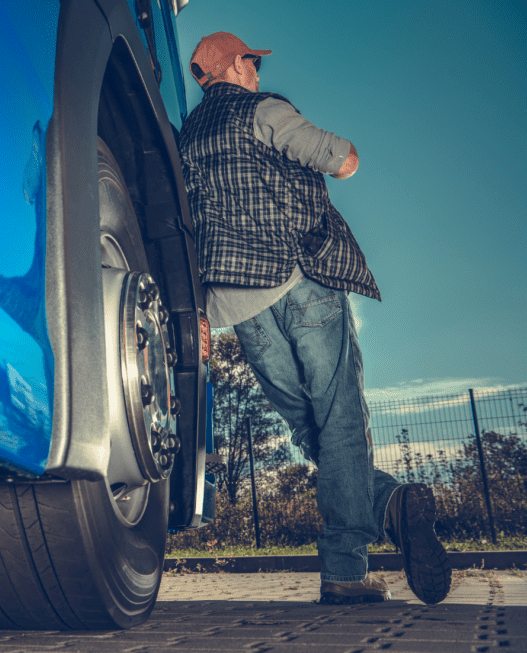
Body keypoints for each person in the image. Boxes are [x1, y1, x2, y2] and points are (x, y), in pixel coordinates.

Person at [177, 32, 452, 605]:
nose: (257, 71)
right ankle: (346, 569)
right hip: (302, 281)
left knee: (310, 428)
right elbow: (340, 159)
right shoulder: (263, 109)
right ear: (235, 65)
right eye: (252, 62)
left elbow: (185, 227)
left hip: (238, 306)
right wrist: (342, 154)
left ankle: (391, 505)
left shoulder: (187, 137)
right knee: (340, 419)